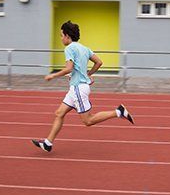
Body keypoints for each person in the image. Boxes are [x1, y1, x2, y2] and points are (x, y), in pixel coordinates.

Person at [32, 21, 134, 152]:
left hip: (78, 89)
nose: (61, 38)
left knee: (88, 121)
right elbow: (99, 62)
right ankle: (48, 143)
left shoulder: (69, 48)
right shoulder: (85, 48)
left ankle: (118, 112)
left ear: (67, 36)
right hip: (76, 88)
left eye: (61, 35)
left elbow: (68, 68)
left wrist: (53, 76)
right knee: (59, 113)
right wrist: (88, 74)